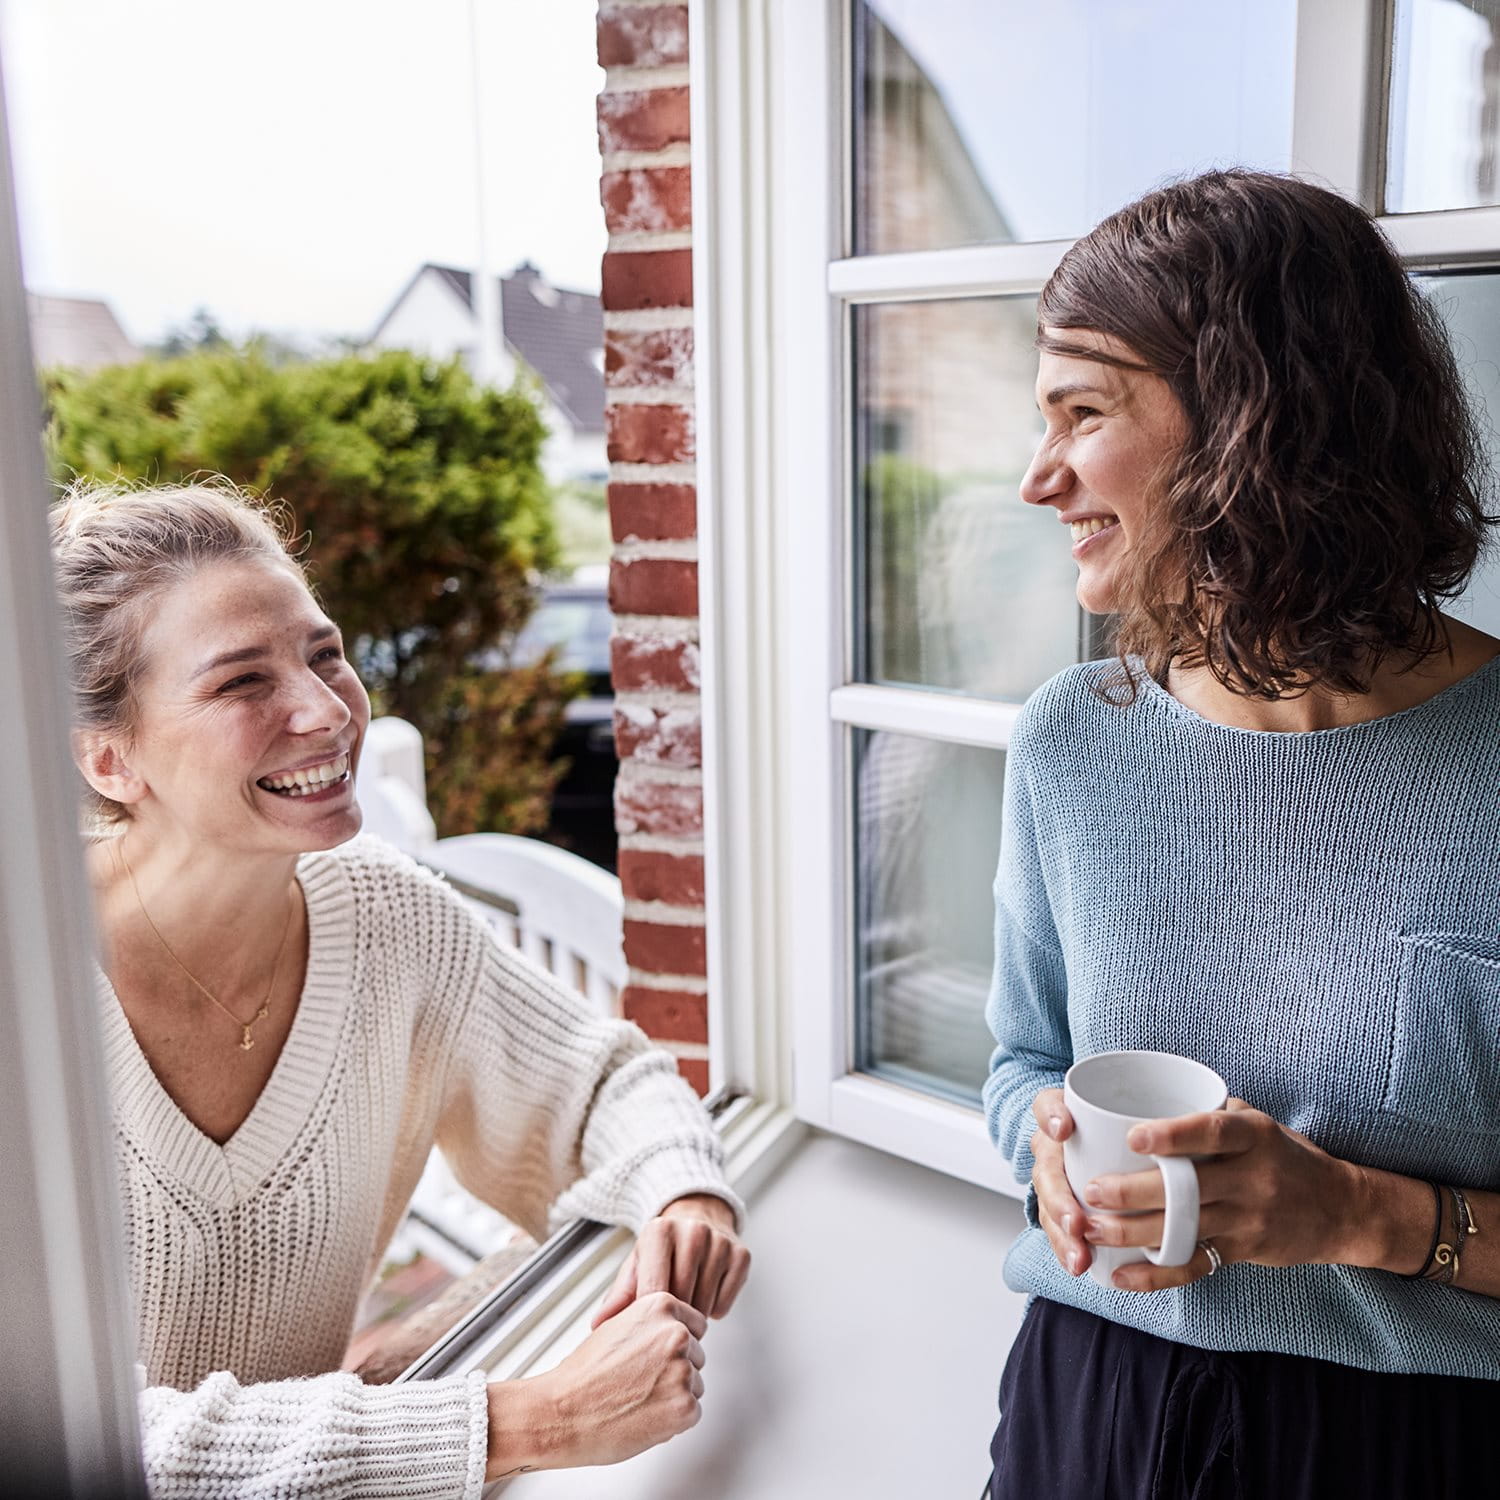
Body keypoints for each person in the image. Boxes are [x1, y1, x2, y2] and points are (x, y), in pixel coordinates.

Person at [51, 479, 751, 1499]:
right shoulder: (29, 996)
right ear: (109, 759)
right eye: (243, 682)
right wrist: (535, 1419)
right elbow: (75, 1438)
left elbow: (600, 1084)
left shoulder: (383, 913)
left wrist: (684, 1191)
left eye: (324, 653)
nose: (327, 709)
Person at [983, 170, 1500, 1500]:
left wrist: (1360, 1216)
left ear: (1248, 422)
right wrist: (1046, 1145)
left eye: (1082, 413)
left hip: (1416, 1445)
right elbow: (1021, 1061)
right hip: (1089, 1406)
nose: (1038, 476)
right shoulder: (1072, 743)